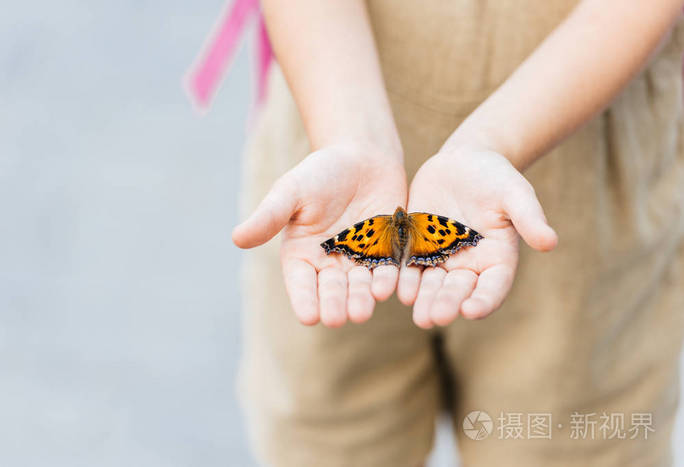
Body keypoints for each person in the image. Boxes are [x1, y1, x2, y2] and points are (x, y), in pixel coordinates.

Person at [231, 1, 684, 465]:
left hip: (591, 161)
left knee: (570, 439)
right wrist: (348, 137)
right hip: (328, 136)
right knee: (330, 438)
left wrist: (491, 144)